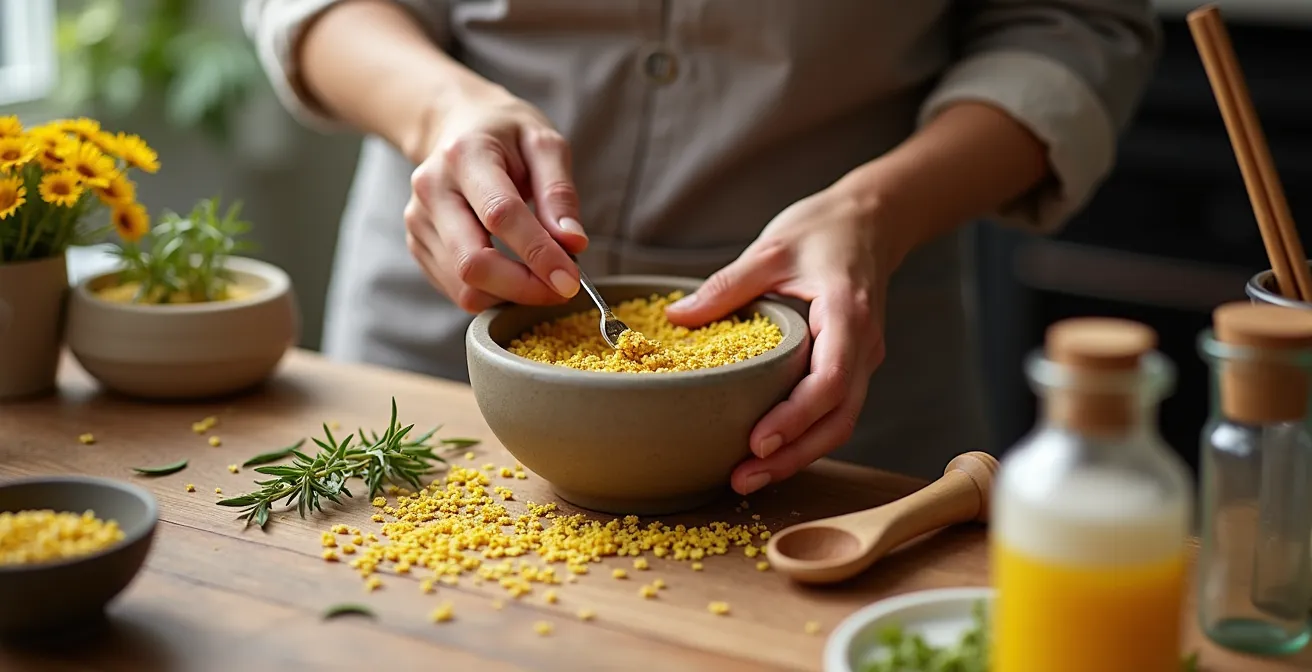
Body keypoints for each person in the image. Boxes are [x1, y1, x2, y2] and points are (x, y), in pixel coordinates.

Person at [244, 0, 1160, 492]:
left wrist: (878, 209)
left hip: (832, 389)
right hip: (440, 347)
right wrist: (439, 106)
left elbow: (1073, 26)